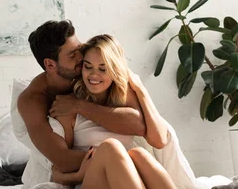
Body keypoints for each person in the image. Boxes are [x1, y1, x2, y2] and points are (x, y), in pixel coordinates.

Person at [48, 34, 224, 189]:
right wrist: (78, 174)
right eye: (88, 66)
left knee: (139, 154)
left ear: (116, 70)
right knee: (110, 147)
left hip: (127, 187)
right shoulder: (69, 107)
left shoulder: (124, 99)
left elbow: (160, 139)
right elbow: (55, 173)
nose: (93, 75)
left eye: (103, 68)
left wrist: (140, 89)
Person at [18, 20, 146, 176]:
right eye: (72, 55)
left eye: (79, 49)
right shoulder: (32, 100)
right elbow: (62, 160)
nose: (81, 57)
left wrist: (79, 106)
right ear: (50, 65)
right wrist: (118, 160)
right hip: (71, 173)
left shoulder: (92, 73)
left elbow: (139, 125)